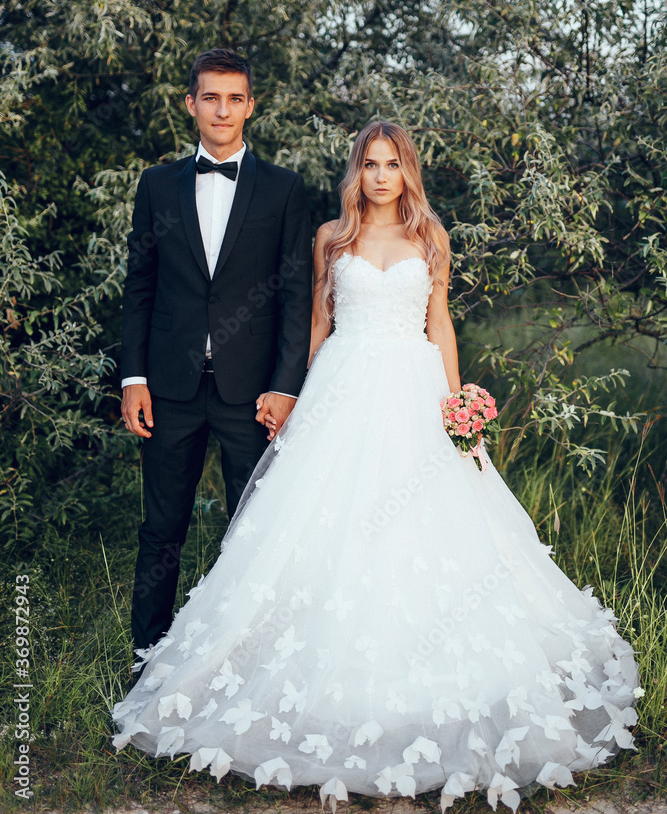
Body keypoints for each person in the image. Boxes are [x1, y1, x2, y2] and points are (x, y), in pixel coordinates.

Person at [112, 121, 639, 812]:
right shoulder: (331, 238)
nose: (381, 176)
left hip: (414, 389)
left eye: (392, 165)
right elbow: (316, 326)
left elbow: (439, 324)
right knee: (320, 525)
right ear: (355, 173)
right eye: (370, 165)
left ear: (407, 172)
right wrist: (294, 395)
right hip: (342, 385)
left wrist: (458, 413)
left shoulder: (430, 239)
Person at [120, 47, 312, 653]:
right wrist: (133, 378)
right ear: (191, 105)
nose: (222, 110)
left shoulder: (284, 190)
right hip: (169, 388)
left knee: (253, 528)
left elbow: (296, 297)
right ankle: (147, 654)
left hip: (250, 393)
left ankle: (245, 660)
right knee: (161, 528)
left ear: (250, 106)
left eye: (234, 98)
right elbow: (140, 287)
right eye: (210, 97)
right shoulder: (156, 186)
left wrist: (284, 388)